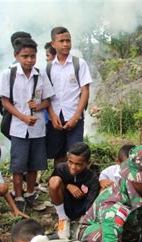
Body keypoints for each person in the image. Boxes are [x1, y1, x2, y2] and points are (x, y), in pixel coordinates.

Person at [0, 37, 54, 212]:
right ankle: (19, 196)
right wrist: (23, 117)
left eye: (32, 56)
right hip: (18, 128)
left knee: (34, 164)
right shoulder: (10, 74)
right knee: (18, 165)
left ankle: (30, 193)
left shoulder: (40, 74)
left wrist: (38, 107)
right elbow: (5, 102)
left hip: (37, 129)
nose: (29, 60)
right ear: (17, 56)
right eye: (25, 56)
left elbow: (47, 100)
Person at [46, 26, 93, 166]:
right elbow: (46, 96)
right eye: (61, 41)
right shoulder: (48, 68)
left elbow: (85, 90)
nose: (66, 44)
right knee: (58, 154)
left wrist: (77, 116)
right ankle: (59, 183)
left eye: (68, 40)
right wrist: (52, 116)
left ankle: (73, 184)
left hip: (74, 116)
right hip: (55, 118)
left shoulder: (79, 64)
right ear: (53, 43)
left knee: (76, 155)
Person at [49, 142, 99, 239]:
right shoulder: (61, 169)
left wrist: (85, 217)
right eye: (70, 162)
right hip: (64, 204)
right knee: (54, 181)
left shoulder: (92, 177)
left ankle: (81, 224)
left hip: (81, 209)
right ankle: (62, 218)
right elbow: (51, 186)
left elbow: (91, 201)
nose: (73, 167)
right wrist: (67, 185)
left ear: (88, 163)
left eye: (78, 164)